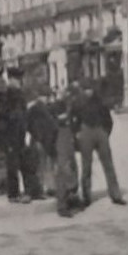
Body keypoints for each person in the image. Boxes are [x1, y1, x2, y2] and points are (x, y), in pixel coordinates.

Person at [71, 79, 126, 206]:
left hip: (100, 131)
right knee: (86, 166)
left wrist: (105, 133)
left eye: (89, 89)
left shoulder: (100, 101)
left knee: (108, 164)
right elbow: (73, 119)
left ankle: (115, 193)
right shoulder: (77, 103)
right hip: (85, 131)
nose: (88, 92)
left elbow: (108, 119)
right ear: (82, 90)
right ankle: (86, 196)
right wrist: (76, 133)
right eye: (85, 89)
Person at [0, 67, 31, 202]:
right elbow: (2, 118)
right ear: (11, 80)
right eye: (17, 79)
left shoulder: (19, 95)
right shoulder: (8, 96)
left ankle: (25, 192)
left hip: (20, 134)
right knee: (13, 166)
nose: (19, 82)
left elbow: (23, 114)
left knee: (23, 163)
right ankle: (14, 194)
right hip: (11, 136)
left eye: (19, 79)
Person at [52, 87, 83, 217]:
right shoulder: (57, 106)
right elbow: (56, 121)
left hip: (68, 137)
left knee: (72, 168)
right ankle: (62, 205)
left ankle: (71, 198)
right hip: (62, 137)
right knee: (63, 171)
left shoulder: (71, 106)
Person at [24, 89, 57, 202]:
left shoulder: (33, 109)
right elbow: (53, 125)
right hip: (43, 140)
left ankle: (43, 188)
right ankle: (45, 188)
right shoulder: (45, 109)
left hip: (39, 139)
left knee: (41, 165)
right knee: (44, 165)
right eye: (47, 96)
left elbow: (27, 124)